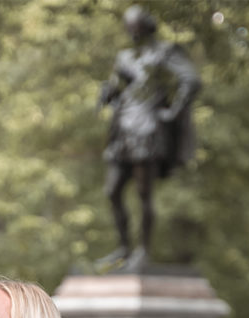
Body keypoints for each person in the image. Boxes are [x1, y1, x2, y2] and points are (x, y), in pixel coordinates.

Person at [97, 4, 201, 272]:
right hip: (123, 129)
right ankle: (123, 247)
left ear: (145, 26)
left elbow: (191, 79)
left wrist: (174, 111)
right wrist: (106, 94)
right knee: (112, 190)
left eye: (135, 26)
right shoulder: (124, 58)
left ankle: (143, 250)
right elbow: (115, 88)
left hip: (148, 128)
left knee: (144, 192)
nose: (131, 31)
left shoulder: (165, 52)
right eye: (128, 27)